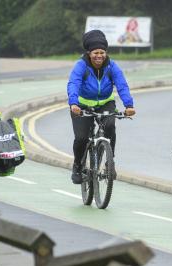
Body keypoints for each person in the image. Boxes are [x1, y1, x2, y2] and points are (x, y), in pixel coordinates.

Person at [67, 29, 136, 184]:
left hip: (106, 103)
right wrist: (73, 103)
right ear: (89, 53)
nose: (99, 56)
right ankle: (77, 165)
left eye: (102, 52)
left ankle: (109, 163)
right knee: (81, 138)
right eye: (95, 53)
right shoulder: (81, 65)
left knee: (110, 126)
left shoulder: (112, 66)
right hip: (82, 105)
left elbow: (122, 85)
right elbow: (73, 83)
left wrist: (129, 105)